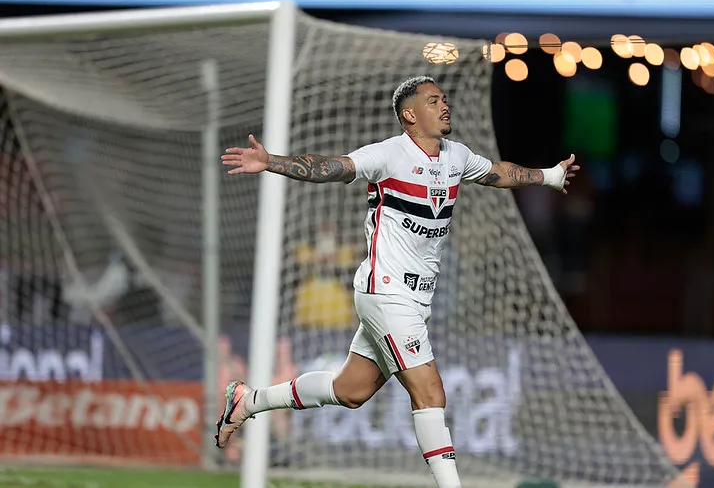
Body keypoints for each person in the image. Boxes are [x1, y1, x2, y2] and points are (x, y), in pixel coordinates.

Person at [216, 76, 580, 488]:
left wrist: (549, 176)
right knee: (430, 392)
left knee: (350, 390)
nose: (444, 106)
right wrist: (272, 162)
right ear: (410, 115)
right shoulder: (389, 155)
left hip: (414, 299)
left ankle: (247, 401)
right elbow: (333, 168)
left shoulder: (456, 156)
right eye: (432, 101)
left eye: (444, 99)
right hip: (385, 290)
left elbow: (499, 173)